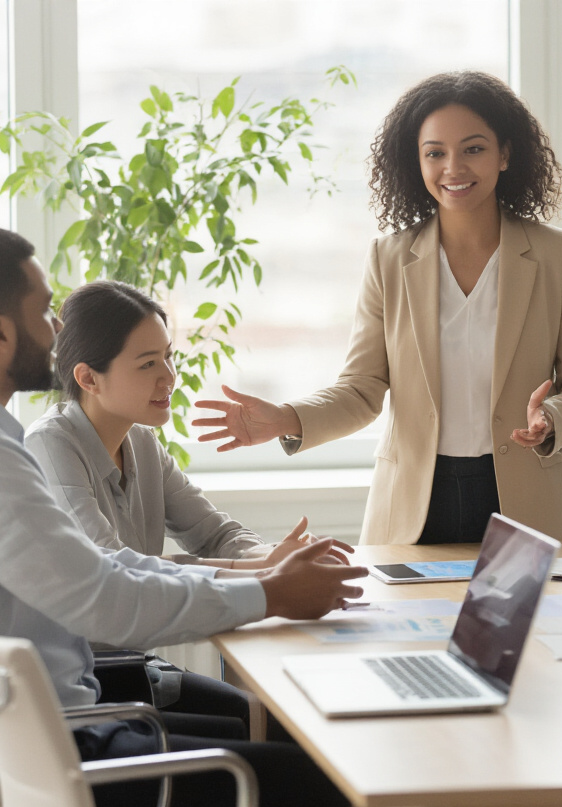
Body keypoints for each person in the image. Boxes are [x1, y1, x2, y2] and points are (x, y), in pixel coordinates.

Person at [0, 226, 367, 807]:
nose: (59, 332)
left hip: (32, 732)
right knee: (323, 779)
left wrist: (262, 580)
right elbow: (106, 600)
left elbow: (103, 571)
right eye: (45, 314)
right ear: (0, 332)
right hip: (52, 752)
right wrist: (268, 593)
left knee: (275, 734)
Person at [193, 70, 562, 546]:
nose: (453, 167)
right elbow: (363, 388)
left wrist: (554, 416)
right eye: (435, 153)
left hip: (531, 504)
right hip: (415, 506)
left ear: (506, 154)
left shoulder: (559, 256)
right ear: (417, 162)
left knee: (533, 625)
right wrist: (287, 418)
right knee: (410, 624)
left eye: (473, 148)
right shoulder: (388, 259)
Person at [26, 279, 348, 728]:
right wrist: (267, 576)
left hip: (133, 670)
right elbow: (119, 569)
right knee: (273, 727)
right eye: (148, 364)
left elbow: (215, 532)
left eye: (168, 356)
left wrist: (268, 556)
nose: (170, 378)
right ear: (88, 378)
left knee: (273, 713)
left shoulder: (140, 439)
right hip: (89, 690)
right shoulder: (51, 448)